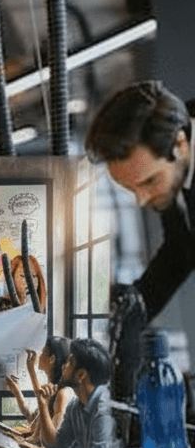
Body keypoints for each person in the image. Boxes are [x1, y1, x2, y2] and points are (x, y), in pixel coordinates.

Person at [85, 80, 195, 325]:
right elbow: (180, 250)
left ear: (181, 144)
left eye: (149, 181)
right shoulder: (172, 156)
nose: (142, 200)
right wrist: (123, 319)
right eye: (129, 188)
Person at [17, 337, 117, 448]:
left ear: (81, 375)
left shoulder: (104, 412)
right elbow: (55, 447)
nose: (64, 365)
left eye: (70, 362)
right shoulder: (76, 406)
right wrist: (43, 405)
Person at [4, 336, 74, 444]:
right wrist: (16, 391)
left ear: (52, 359)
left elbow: (50, 442)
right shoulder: (51, 389)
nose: (39, 355)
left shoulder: (62, 394)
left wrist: (20, 441)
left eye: (43, 352)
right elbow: (32, 419)